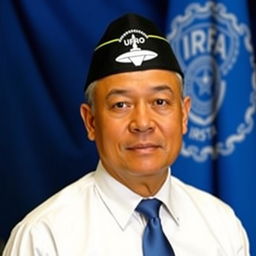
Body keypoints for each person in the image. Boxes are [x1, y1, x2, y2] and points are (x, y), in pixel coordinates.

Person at [3, 13, 249, 256]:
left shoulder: (221, 225)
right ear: (90, 121)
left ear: (184, 115)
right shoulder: (44, 238)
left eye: (160, 101)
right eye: (121, 105)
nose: (142, 123)